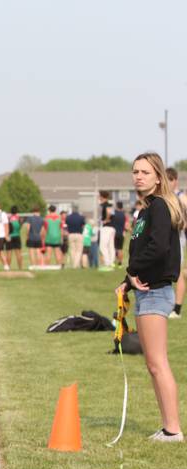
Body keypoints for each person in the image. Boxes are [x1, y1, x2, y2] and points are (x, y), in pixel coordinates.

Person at [116, 152, 186, 442]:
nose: (139, 176)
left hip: (157, 292)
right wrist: (127, 282)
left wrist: (131, 272)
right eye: (135, 172)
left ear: (159, 177)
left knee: (158, 363)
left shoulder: (159, 207)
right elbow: (144, 253)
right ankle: (167, 426)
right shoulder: (145, 211)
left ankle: (173, 430)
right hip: (146, 292)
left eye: (145, 172)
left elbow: (158, 250)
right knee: (152, 364)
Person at [167, 168, 187, 318]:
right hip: (164, 238)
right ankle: (167, 305)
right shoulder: (164, 197)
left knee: (178, 272)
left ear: (175, 181)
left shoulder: (182, 197)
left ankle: (177, 309)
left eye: (170, 180)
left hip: (177, 238)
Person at [98, 190, 115, 270]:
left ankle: (107, 263)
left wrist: (106, 219)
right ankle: (111, 263)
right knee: (110, 246)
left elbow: (109, 212)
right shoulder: (110, 204)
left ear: (102, 196)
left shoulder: (105, 204)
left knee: (103, 246)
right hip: (112, 227)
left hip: (106, 227)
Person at [111, 201, 128, 266]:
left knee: (114, 248)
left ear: (117, 206)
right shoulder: (124, 215)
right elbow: (126, 225)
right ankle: (120, 263)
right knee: (120, 249)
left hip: (114, 233)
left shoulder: (114, 214)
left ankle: (113, 262)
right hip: (121, 234)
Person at [6, 206, 22, 270]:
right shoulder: (19, 218)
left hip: (10, 237)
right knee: (18, 253)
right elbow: (20, 226)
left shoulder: (8, 218)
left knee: (9, 253)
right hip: (17, 236)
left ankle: (8, 268)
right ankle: (20, 268)